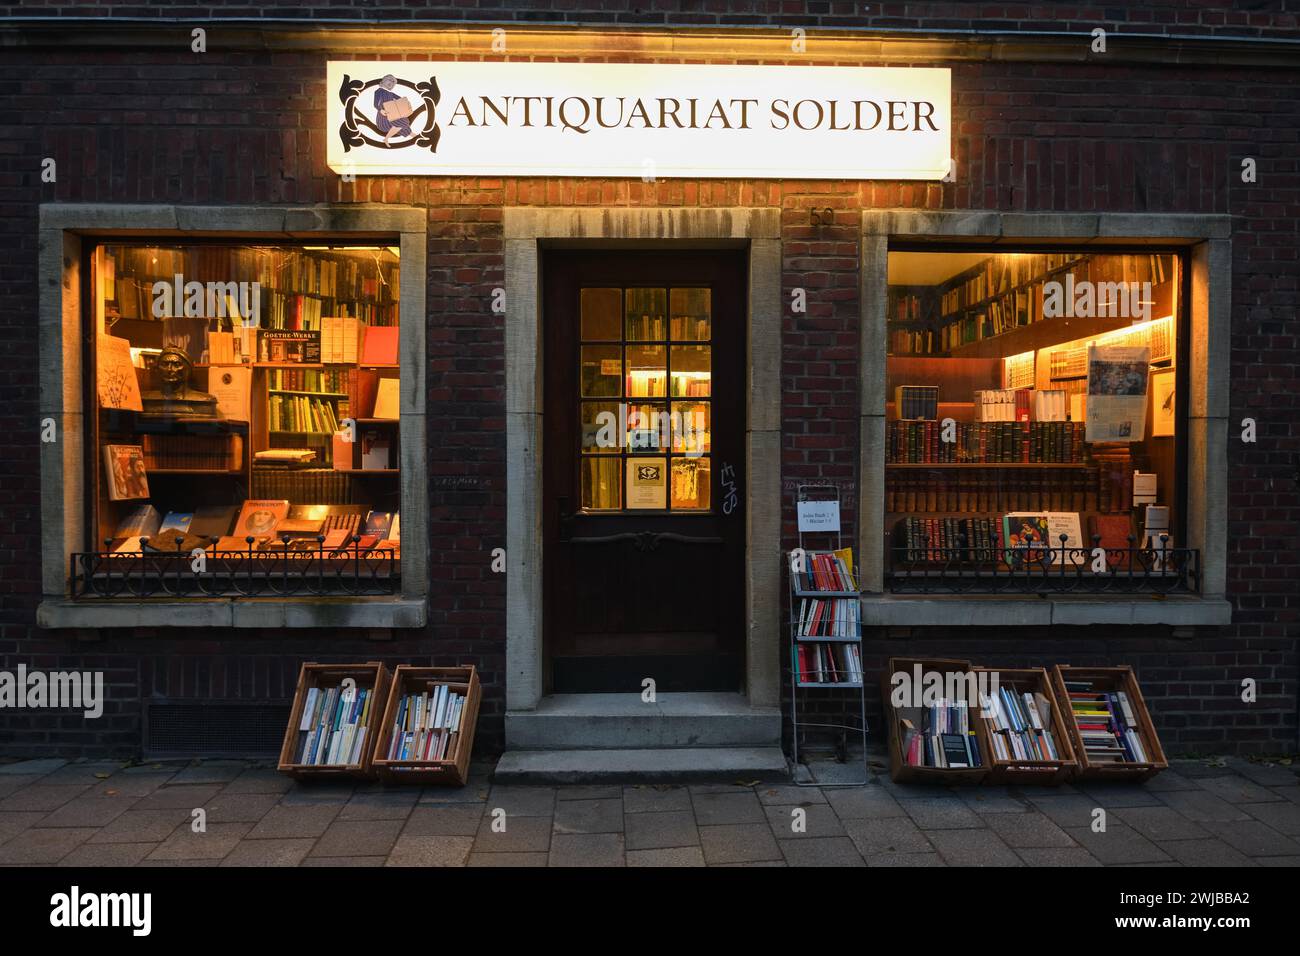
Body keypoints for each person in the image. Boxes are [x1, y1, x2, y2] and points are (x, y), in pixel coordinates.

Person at [374, 75, 412, 145]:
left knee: (404, 122)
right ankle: (386, 139)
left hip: (393, 114)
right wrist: (381, 110)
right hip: (383, 116)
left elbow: (401, 99)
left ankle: (414, 136)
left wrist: (407, 103)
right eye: (390, 80)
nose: (391, 83)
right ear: (384, 81)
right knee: (402, 122)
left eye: (393, 82)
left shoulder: (391, 93)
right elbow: (375, 104)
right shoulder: (378, 91)